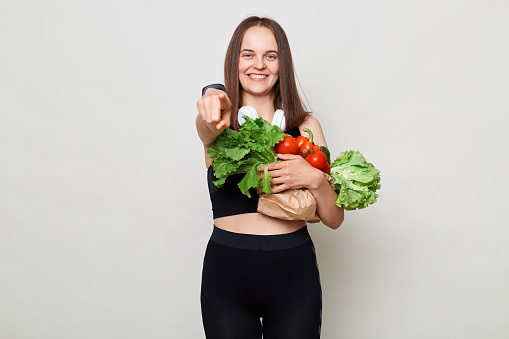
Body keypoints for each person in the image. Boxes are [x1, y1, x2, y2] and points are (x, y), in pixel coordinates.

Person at [195, 16, 344, 339]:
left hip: (294, 275)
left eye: (270, 55)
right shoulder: (219, 121)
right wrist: (211, 95)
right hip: (227, 276)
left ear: (282, 64)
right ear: (234, 61)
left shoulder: (306, 126)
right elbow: (205, 126)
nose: (258, 64)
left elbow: (334, 219)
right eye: (247, 54)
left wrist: (315, 179)